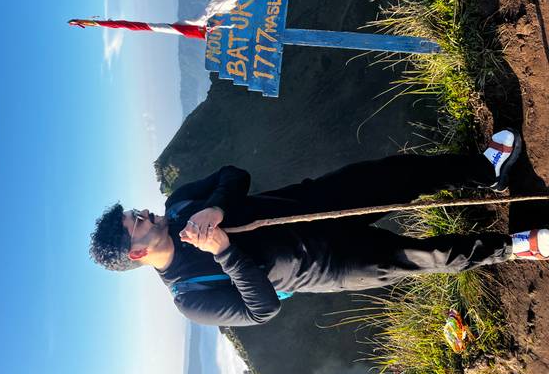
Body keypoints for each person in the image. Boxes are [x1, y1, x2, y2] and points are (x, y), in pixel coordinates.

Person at [89, 129, 548, 327]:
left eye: (138, 212)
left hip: (315, 200)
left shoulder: (181, 204)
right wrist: (225, 252)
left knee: (396, 175)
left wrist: (215, 210)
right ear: (136, 253)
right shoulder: (188, 297)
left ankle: (484, 169)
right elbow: (260, 311)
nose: (147, 214)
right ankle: (515, 247)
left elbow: (234, 174)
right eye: (138, 222)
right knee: (421, 258)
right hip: (326, 267)